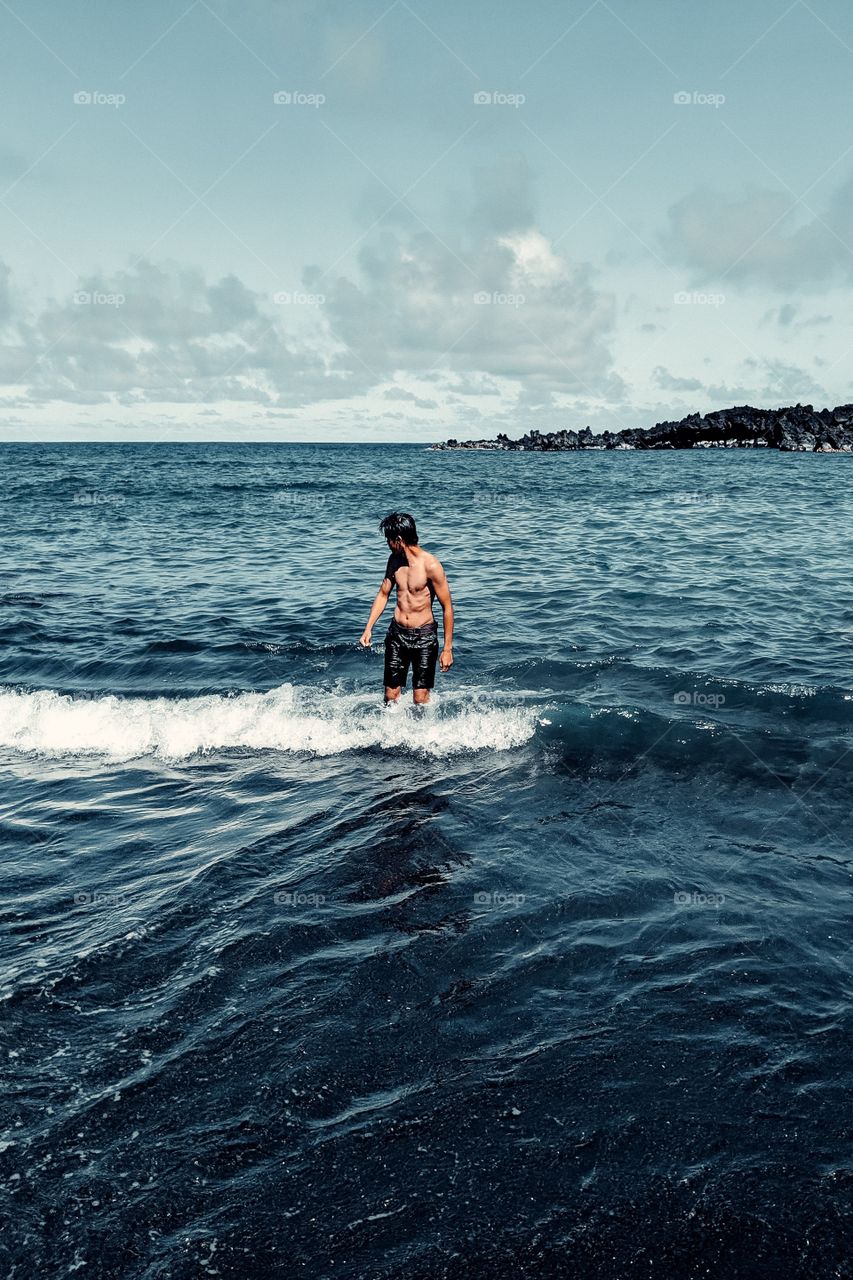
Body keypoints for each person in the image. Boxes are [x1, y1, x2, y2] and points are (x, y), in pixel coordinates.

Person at [359, 512, 453, 704]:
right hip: (397, 635)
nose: (387, 544)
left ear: (399, 540)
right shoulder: (394, 561)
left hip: (424, 637)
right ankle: (390, 732)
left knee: (420, 698)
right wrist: (368, 627)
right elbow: (383, 593)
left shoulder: (431, 565)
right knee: (391, 695)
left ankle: (420, 733)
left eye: (389, 540)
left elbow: (447, 607)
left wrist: (447, 649)